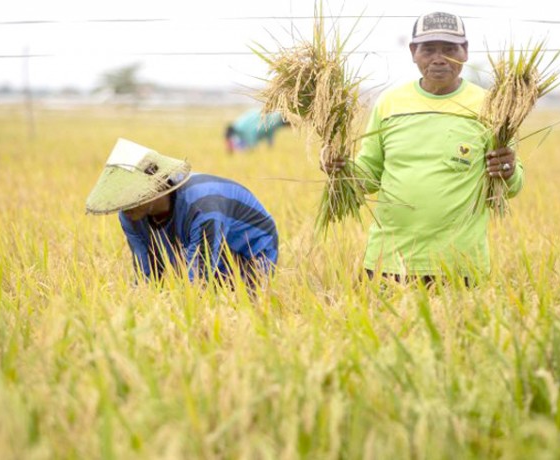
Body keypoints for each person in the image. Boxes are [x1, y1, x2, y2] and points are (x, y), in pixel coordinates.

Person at [323, 11, 524, 286]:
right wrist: (340, 167)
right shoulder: (390, 104)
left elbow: (512, 186)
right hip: (388, 261)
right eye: (428, 49)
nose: (439, 59)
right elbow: (368, 176)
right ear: (413, 52)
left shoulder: (490, 107)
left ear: (465, 52)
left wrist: (507, 169)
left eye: (450, 49)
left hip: (460, 265)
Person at [86, 138, 279, 287]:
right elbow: (146, 273)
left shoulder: (202, 205)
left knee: (234, 299)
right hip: (200, 246)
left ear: (158, 185)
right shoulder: (130, 214)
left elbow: (198, 279)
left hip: (249, 251)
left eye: (132, 195)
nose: (125, 206)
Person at [224, 108, 289, 153]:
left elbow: (253, 136)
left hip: (265, 117)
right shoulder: (240, 128)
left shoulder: (240, 127)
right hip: (265, 118)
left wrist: (252, 149)